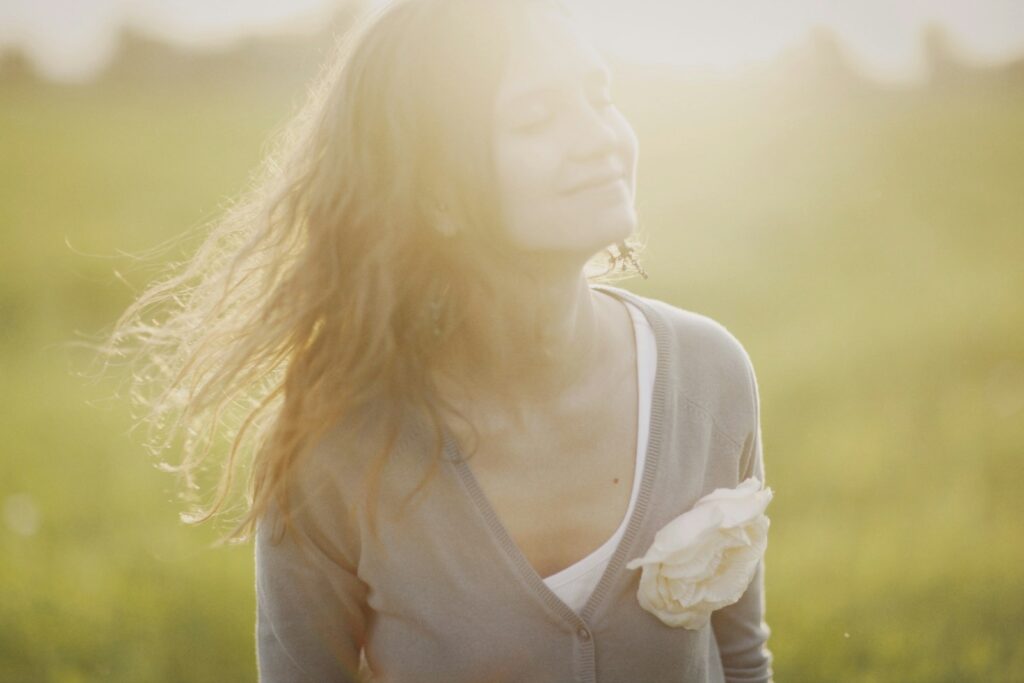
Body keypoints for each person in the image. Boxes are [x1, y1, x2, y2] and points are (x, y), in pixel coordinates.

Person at [103, 0, 773, 680]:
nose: (599, 136)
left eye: (599, 96)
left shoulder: (710, 374)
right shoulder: (332, 449)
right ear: (438, 195)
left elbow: (743, 658)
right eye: (539, 117)